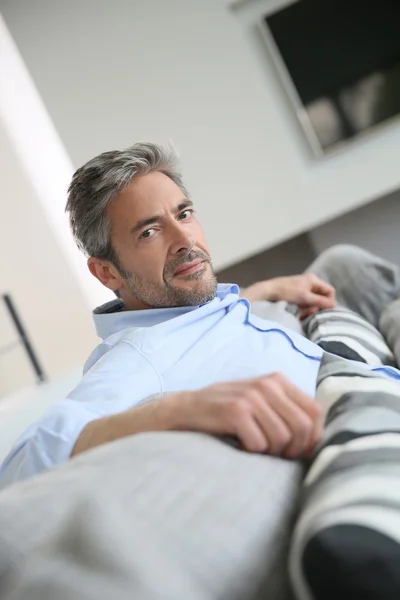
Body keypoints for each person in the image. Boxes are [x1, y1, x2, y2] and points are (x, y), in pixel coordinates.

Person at [1, 142, 399, 489]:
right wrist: (176, 410)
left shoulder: (180, 316)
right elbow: (20, 467)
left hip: (364, 379)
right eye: (149, 232)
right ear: (107, 272)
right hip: (367, 422)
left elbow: (195, 329)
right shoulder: (137, 360)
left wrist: (258, 292)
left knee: (345, 265)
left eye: (184, 214)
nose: (185, 240)